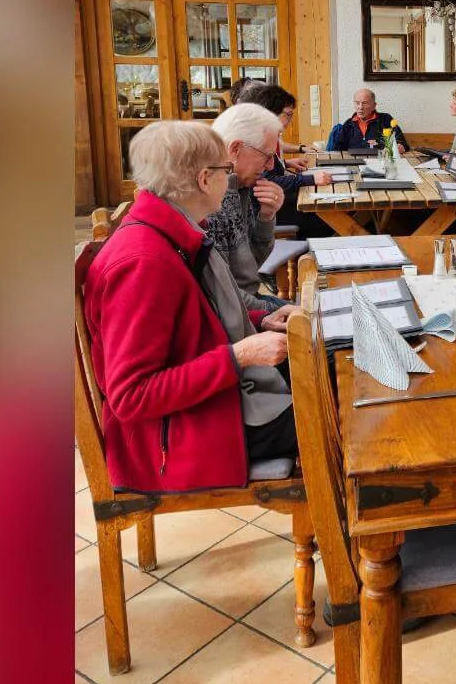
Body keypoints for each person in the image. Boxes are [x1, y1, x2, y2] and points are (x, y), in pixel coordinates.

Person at [84, 121, 301, 492]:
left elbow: (194, 318)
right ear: (204, 179)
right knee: (337, 413)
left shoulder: (169, 229)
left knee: (331, 371)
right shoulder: (143, 262)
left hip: (210, 406)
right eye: (225, 171)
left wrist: (261, 319)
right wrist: (240, 355)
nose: (229, 181)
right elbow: (132, 396)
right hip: (179, 439)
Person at [204, 103, 286, 308]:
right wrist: (277, 310)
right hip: (238, 317)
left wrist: (266, 218)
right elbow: (222, 299)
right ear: (235, 149)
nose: (270, 166)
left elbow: (249, 268)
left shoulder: (240, 187)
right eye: (267, 156)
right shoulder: (210, 204)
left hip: (248, 304)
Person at [234, 83, 334, 237]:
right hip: (262, 212)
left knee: (322, 210)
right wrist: (310, 178)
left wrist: (287, 164)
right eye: (288, 114)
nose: (290, 119)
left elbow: (270, 170)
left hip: (269, 203)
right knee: (322, 218)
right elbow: (267, 180)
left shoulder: (264, 135)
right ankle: (309, 258)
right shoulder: (256, 139)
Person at [328, 88, 407, 152]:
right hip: (355, 165)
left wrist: (400, 147)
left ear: (374, 106)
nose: (360, 107)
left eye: (365, 103)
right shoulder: (348, 124)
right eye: (357, 103)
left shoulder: (385, 119)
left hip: (380, 164)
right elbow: (337, 150)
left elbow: (402, 143)